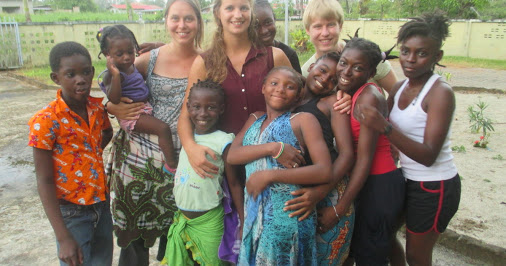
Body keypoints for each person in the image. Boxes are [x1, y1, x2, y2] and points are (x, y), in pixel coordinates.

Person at [103, 0, 204, 264]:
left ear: (199, 22)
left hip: (184, 165)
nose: (182, 25)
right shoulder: (147, 60)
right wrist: (110, 105)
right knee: (135, 243)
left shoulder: (208, 60)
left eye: (189, 18)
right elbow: (112, 84)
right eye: (175, 18)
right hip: (138, 166)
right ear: (166, 21)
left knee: (179, 241)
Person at [357, 12, 460, 265]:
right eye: (405, 51)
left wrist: (385, 128)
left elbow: (428, 155)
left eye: (421, 53)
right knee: (385, 235)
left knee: (417, 254)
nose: (410, 59)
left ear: (437, 57)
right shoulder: (401, 86)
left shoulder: (440, 93)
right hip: (406, 179)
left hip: (434, 186)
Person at [227, 66, 332, 265]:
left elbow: (324, 170)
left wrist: (270, 175)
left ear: (299, 95)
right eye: (274, 83)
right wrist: (272, 148)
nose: (280, 89)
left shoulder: (303, 120)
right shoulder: (255, 118)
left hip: (288, 218)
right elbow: (233, 155)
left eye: (290, 86)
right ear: (263, 88)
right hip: (254, 217)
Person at [28, 41, 114, 266]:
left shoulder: (96, 109)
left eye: (86, 72)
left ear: (93, 72)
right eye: (71, 74)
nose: (80, 79)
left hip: (101, 205)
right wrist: (62, 236)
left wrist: (87, 156)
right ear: (56, 78)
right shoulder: (46, 121)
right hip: (71, 213)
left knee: (102, 261)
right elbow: (44, 180)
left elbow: (107, 132)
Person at [332, 37, 405, 265]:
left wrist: (341, 206)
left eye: (358, 68)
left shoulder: (368, 99)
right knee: (364, 247)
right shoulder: (356, 90)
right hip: (368, 182)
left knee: (371, 255)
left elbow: (364, 159)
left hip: (378, 184)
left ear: (371, 71)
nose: (346, 71)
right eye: (343, 63)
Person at [162, 80, 244, 265]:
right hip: (182, 218)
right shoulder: (187, 137)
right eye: (197, 107)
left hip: (209, 221)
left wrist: (243, 218)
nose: (203, 113)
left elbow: (234, 183)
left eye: (211, 107)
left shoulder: (223, 141)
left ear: (221, 109)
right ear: (188, 107)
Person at [288, 52, 355, 265]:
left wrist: (319, 193)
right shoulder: (287, 95)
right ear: (311, 66)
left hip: (329, 193)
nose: (325, 79)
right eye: (323, 70)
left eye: (334, 79)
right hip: (298, 193)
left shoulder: (332, 103)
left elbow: (347, 155)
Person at [97, 25, 177, 173]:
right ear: (107, 54)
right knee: (162, 129)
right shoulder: (113, 74)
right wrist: (115, 75)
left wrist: (157, 45)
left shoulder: (131, 65)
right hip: (133, 115)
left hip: (143, 109)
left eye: (130, 51)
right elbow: (113, 98)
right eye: (119, 54)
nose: (126, 57)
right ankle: (172, 165)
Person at [300, 0, 397, 93]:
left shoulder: (365, 56)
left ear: (340, 26)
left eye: (331, 25)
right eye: (318, 26)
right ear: (308, 30)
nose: (325, 33)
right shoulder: (307, 72)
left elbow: (398, 95)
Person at [255, 0, 302, 73]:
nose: (264, 31)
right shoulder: (248, 54)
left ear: (274, 19)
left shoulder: (289, 54)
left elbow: (298, 83)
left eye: (268, 22)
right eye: (256, 26)